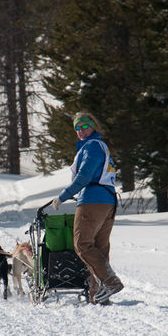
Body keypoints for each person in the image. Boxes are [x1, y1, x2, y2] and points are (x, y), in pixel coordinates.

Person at [51, 112, 124, 304]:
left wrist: (62, 197)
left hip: (92, 201)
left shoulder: (91, 147)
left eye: (84, 126)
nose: (81, 130)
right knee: (99, 248)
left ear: (93, 126)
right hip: (108, 202)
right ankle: (97, 295)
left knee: (82, 245)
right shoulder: (100, 147)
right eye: (77, 127)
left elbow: (83, 177)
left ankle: (110, 282)